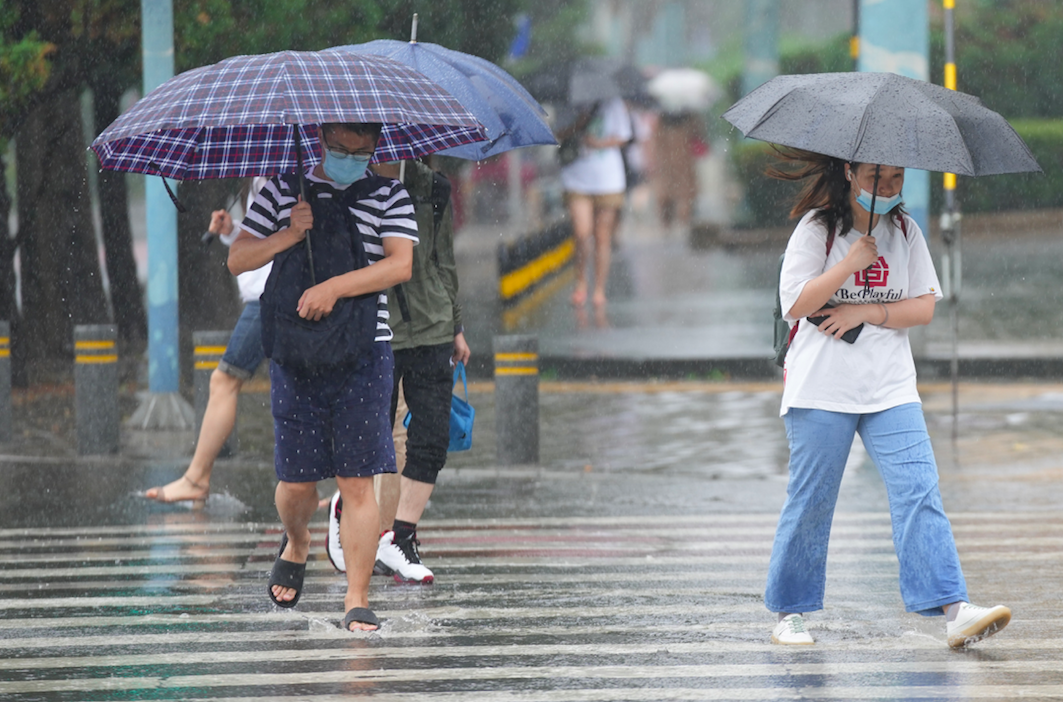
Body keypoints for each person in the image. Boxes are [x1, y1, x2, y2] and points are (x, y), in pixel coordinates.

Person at [766, 150, 1010, 648]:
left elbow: (922, 308)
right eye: (878, 175)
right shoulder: (818, 229)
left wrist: (867, 313)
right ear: (850, 173)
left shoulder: (905, 232)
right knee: (811, 502)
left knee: (919, 491)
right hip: (822, 387)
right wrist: (851, 264)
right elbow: (795, 302)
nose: (888, 185)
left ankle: (955, 609)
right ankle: (790, 613)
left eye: (897, 177)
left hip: (890, 387)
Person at [228, 122, 416, 632]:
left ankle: (356, 597)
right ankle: (297, 539)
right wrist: (289, 233)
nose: (351, 159)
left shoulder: (389, 194)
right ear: (319, 139)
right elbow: (238, 257)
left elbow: (400, 265)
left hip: (363, 352)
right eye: (340, 149)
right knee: (295, 484)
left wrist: (335, 286)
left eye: (362, 151)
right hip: (295, 353)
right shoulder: (282, 189)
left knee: (357, 481)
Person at [325, 158, 469, 585]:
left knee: (432, 439)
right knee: (372, 437)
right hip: (375, 329)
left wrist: (456, 325)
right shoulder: (344, 185)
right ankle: (346, 507)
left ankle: (402, 536)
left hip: (432, 326)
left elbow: (445, 262)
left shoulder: (433, 187)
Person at [144, 177, 269, 507]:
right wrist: (232, 229)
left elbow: (283, 238)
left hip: (271, 297)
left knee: (225, 379)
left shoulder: (286, 173)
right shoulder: (264, 175)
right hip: (267, 294)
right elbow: (269, 235)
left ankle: (197, 478)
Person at [558, 97, 632, 309]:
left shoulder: (613, 104)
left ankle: (599, 288)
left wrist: (599, 143)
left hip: (608, 179)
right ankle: (581, 280)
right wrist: (578, 124)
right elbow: (556, 134)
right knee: (582, 233)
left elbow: (624, 136)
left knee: (602, 235)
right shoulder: (568, 103)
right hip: (576, 176)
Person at [652, 109, 706, 238]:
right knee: (681, 196)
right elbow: (699, 134)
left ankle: (671, 228)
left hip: (671, 163)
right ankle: (680, 226)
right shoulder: (688, 117)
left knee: (669, 197)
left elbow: (657, 141)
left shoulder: (664, 118)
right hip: (680, 163)